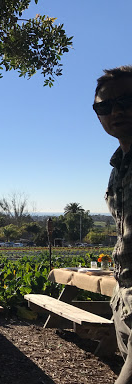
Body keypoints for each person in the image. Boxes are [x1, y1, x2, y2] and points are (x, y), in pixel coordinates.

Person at [95, 65, 132, 383]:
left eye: (127, 100)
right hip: (123, 295)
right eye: (104, 107)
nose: (115, 111)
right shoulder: (118, 165)